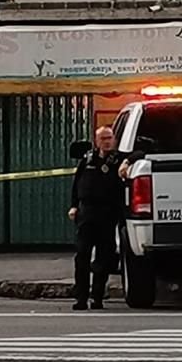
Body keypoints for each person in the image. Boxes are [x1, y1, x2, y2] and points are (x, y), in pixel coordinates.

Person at [68, 126, 125, 311]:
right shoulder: (88, 159)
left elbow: (140, 153)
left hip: (107, 214)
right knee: (82, 256)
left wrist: (128, 162)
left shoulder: (118, 159)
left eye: (110, 137)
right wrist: (74, 206)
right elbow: (77, 183)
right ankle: (81, 298)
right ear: (97, 140)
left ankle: (98, 297)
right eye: (103, 138)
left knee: (104, 258)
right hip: (87, 214)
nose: (107, 141)